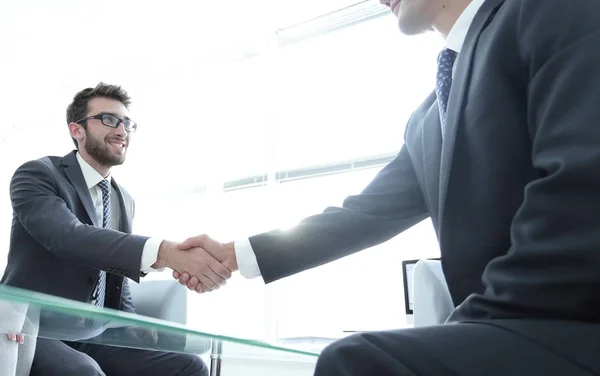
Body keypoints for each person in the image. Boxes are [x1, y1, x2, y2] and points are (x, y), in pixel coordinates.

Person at [174, 0, 600, 375]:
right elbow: (362, 216)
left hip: (572, 319)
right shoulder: (427, 119)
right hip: (511, 330)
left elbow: (580, 191)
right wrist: (231, 256)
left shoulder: (551, 9)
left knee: (357, 361)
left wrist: (475, 324)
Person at [0, 83, 232, 375]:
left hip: (94, 333)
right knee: (85, 372)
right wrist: (164, 253)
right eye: (109, 119)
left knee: (189, 367)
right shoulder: (37, 174)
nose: (122, 131)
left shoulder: (123, 198)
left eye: (127, 123)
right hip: (34, 327)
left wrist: (135, 327)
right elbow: (69, 237)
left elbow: (115, 276)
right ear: (77, 130)